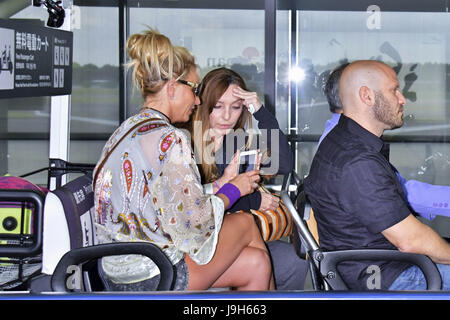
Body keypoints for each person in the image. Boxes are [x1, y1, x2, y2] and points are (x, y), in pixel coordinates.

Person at [93, 28, 274, 291]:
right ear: (172, 88)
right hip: (157, 274)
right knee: (246, 222)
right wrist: (235, 190)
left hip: (114, 272)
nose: (198, 99)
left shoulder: (127, 130)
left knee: (256, 263)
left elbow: (169, 202)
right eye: (193, 89)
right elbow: (194, 225)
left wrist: (222, 183)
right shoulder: (171, 139)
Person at [305, 60, 450, 290]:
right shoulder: (356, 161)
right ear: (367, 96)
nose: (402, 99)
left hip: (379, 264)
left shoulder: (344, 141)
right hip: (384, 276)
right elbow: (410, 240)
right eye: (394, 90)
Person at [188, 67, 307, 290]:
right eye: (217, 106)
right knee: (264, 260)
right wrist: (252, 201)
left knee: (295, 263)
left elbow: (284, 165)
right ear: (203, 104)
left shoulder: (237, 141)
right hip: (200, 239)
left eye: (235, 107)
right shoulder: (186, 141)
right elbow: (191, 203)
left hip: (238, 233)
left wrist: (261, 112)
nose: (226, 116)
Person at [320, 62, 450, 221]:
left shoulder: (339, 137)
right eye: (393, 91)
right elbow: (397, 196)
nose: (402, 100)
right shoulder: (349, 149)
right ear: (361, 95)